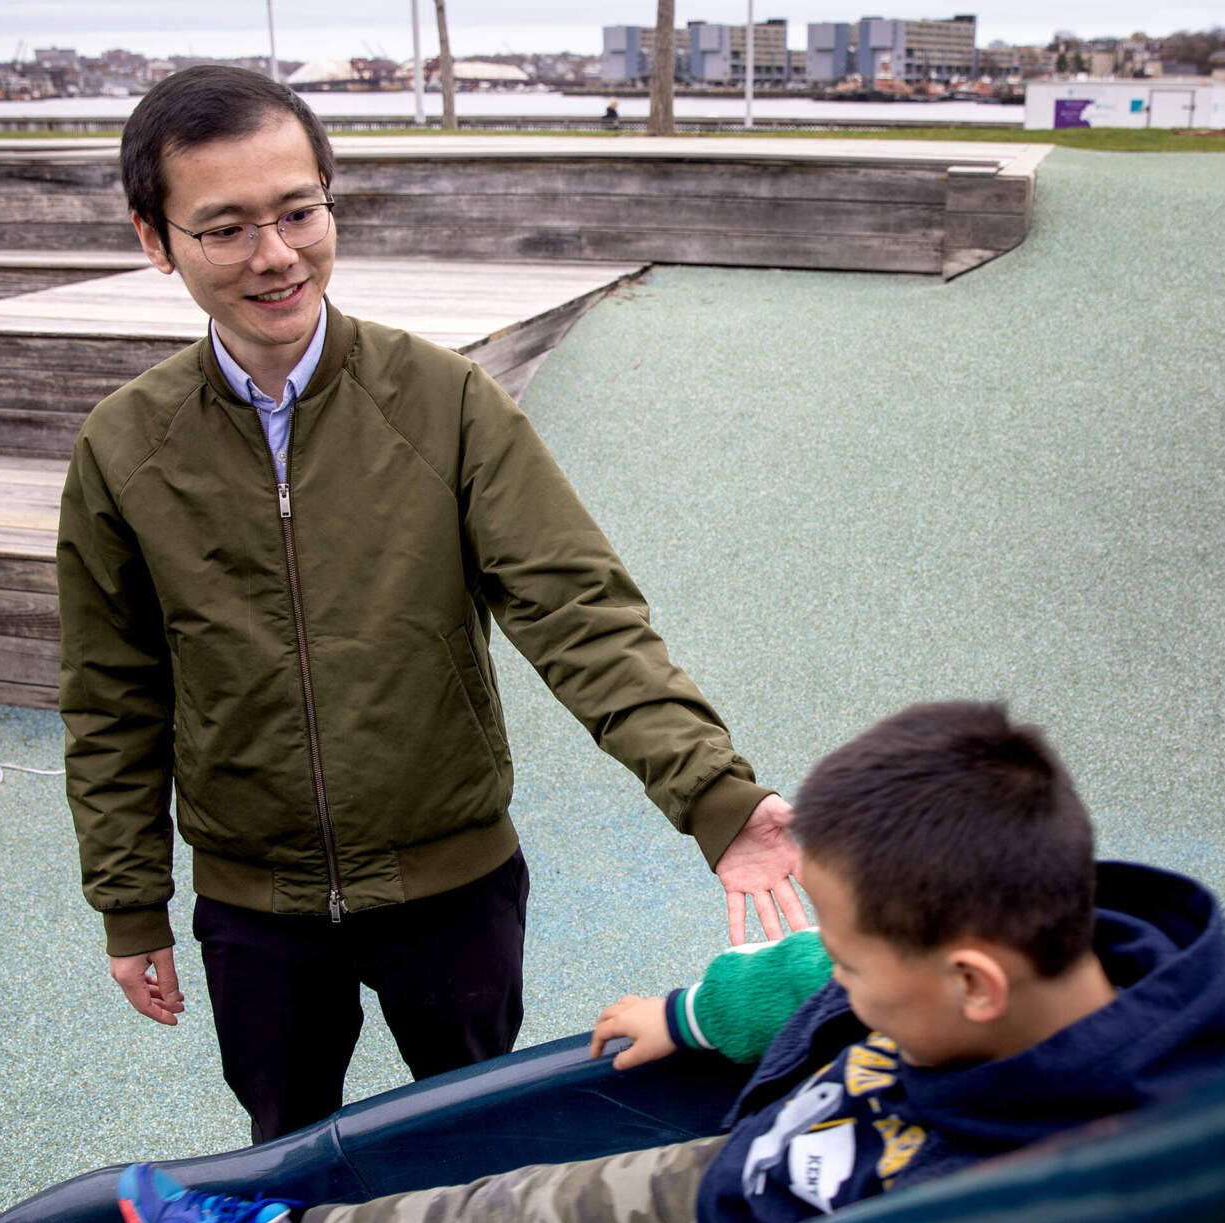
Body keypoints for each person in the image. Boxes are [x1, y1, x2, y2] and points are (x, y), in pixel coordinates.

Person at [57, 65, 806, 1145]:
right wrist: (132, 900)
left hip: (451, 884)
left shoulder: (445, 401)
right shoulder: (124, 448)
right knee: (285, 1154)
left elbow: (578, 612)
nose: (275, 254)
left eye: (299, 211)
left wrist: (714, 796)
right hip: (253, 906)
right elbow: (112, 694)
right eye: (224, 227)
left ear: (328, 199)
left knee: (471, 1149)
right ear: (154, 238)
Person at [116, 701, 1225, 1223]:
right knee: (506, 1213)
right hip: (742, 1176)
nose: (837, 974)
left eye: (856, 961)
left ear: (972, 983)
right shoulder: (1004, 939)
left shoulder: (1119, 1172)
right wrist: (682, 1014)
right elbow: (802, 977)